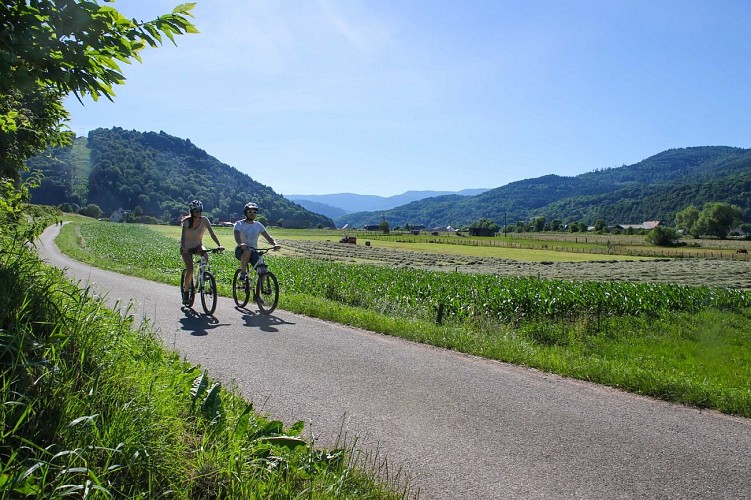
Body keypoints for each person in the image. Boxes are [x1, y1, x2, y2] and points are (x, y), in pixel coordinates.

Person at [180, 200, 223, 304]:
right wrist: (184, 248)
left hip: (198, 245)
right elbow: (183, 238)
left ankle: (203, 274)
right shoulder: (187, 222)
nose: (198, 213)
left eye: (200, 211)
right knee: (190, 270)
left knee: (205, 254)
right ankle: (186, 293)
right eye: (196, 211)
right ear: (191, 211)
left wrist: (219, 245)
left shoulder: (204, 220)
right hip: (186, 248)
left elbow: (212, 234)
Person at [234, 202, 280, 281]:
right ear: (246, 212)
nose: (252, 214)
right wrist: (240, 243)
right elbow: (237, 236)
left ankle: (261, 288)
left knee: (263, 269)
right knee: (247, 251)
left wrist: (275, 244)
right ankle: (243, 272)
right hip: (241, 250)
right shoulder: (239, 224)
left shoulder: (258, 225)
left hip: (254, 251)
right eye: (250, 212)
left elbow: (268, 237)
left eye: (255, 212)